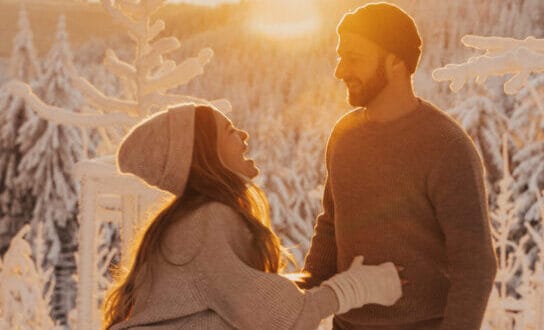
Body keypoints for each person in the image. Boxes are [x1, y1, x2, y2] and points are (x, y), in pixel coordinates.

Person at [103, 103, 403, 330]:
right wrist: (357, 287)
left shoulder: (190, 220)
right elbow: (275, 317)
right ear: (205, 153)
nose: (243, 135)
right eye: (230, 131)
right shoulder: (206, 223)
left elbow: (233, 296)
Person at [299, 3, 497, 329]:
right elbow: (332, 226)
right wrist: (300, 299)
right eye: (340, 57)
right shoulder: (344, 136)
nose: (340, 70)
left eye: (354, 58)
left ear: (395, 63)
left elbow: (475, 266)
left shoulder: (447, 146)